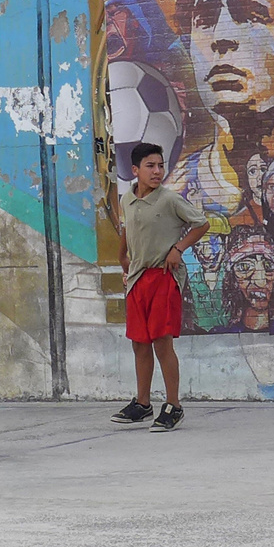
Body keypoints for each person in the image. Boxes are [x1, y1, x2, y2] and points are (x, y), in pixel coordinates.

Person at [113, 142, 208, 431]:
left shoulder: (169, 200)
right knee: (139, 344)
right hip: (137, 280)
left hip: (163, 277)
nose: (157, 171)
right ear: (135, 170)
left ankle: (174, 406)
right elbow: (127, 230)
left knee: (162, 343)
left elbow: (201, 224)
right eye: (150, 166)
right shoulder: (126, 199)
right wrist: (122, 258)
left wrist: (178, 249)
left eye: (160, 165)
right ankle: (142, 404)